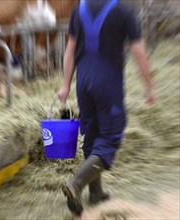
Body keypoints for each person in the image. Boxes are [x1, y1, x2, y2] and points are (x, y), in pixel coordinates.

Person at [57, 0, 156, 216]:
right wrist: (149, 88)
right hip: (107, 82)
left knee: (91, 136)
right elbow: (139, 52)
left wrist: (65, 85)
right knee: (110, 137)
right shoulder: (124, 11)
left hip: (83, 82)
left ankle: (96, 193)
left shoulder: (78, 9)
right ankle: (75, 184)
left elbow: (70, 50)